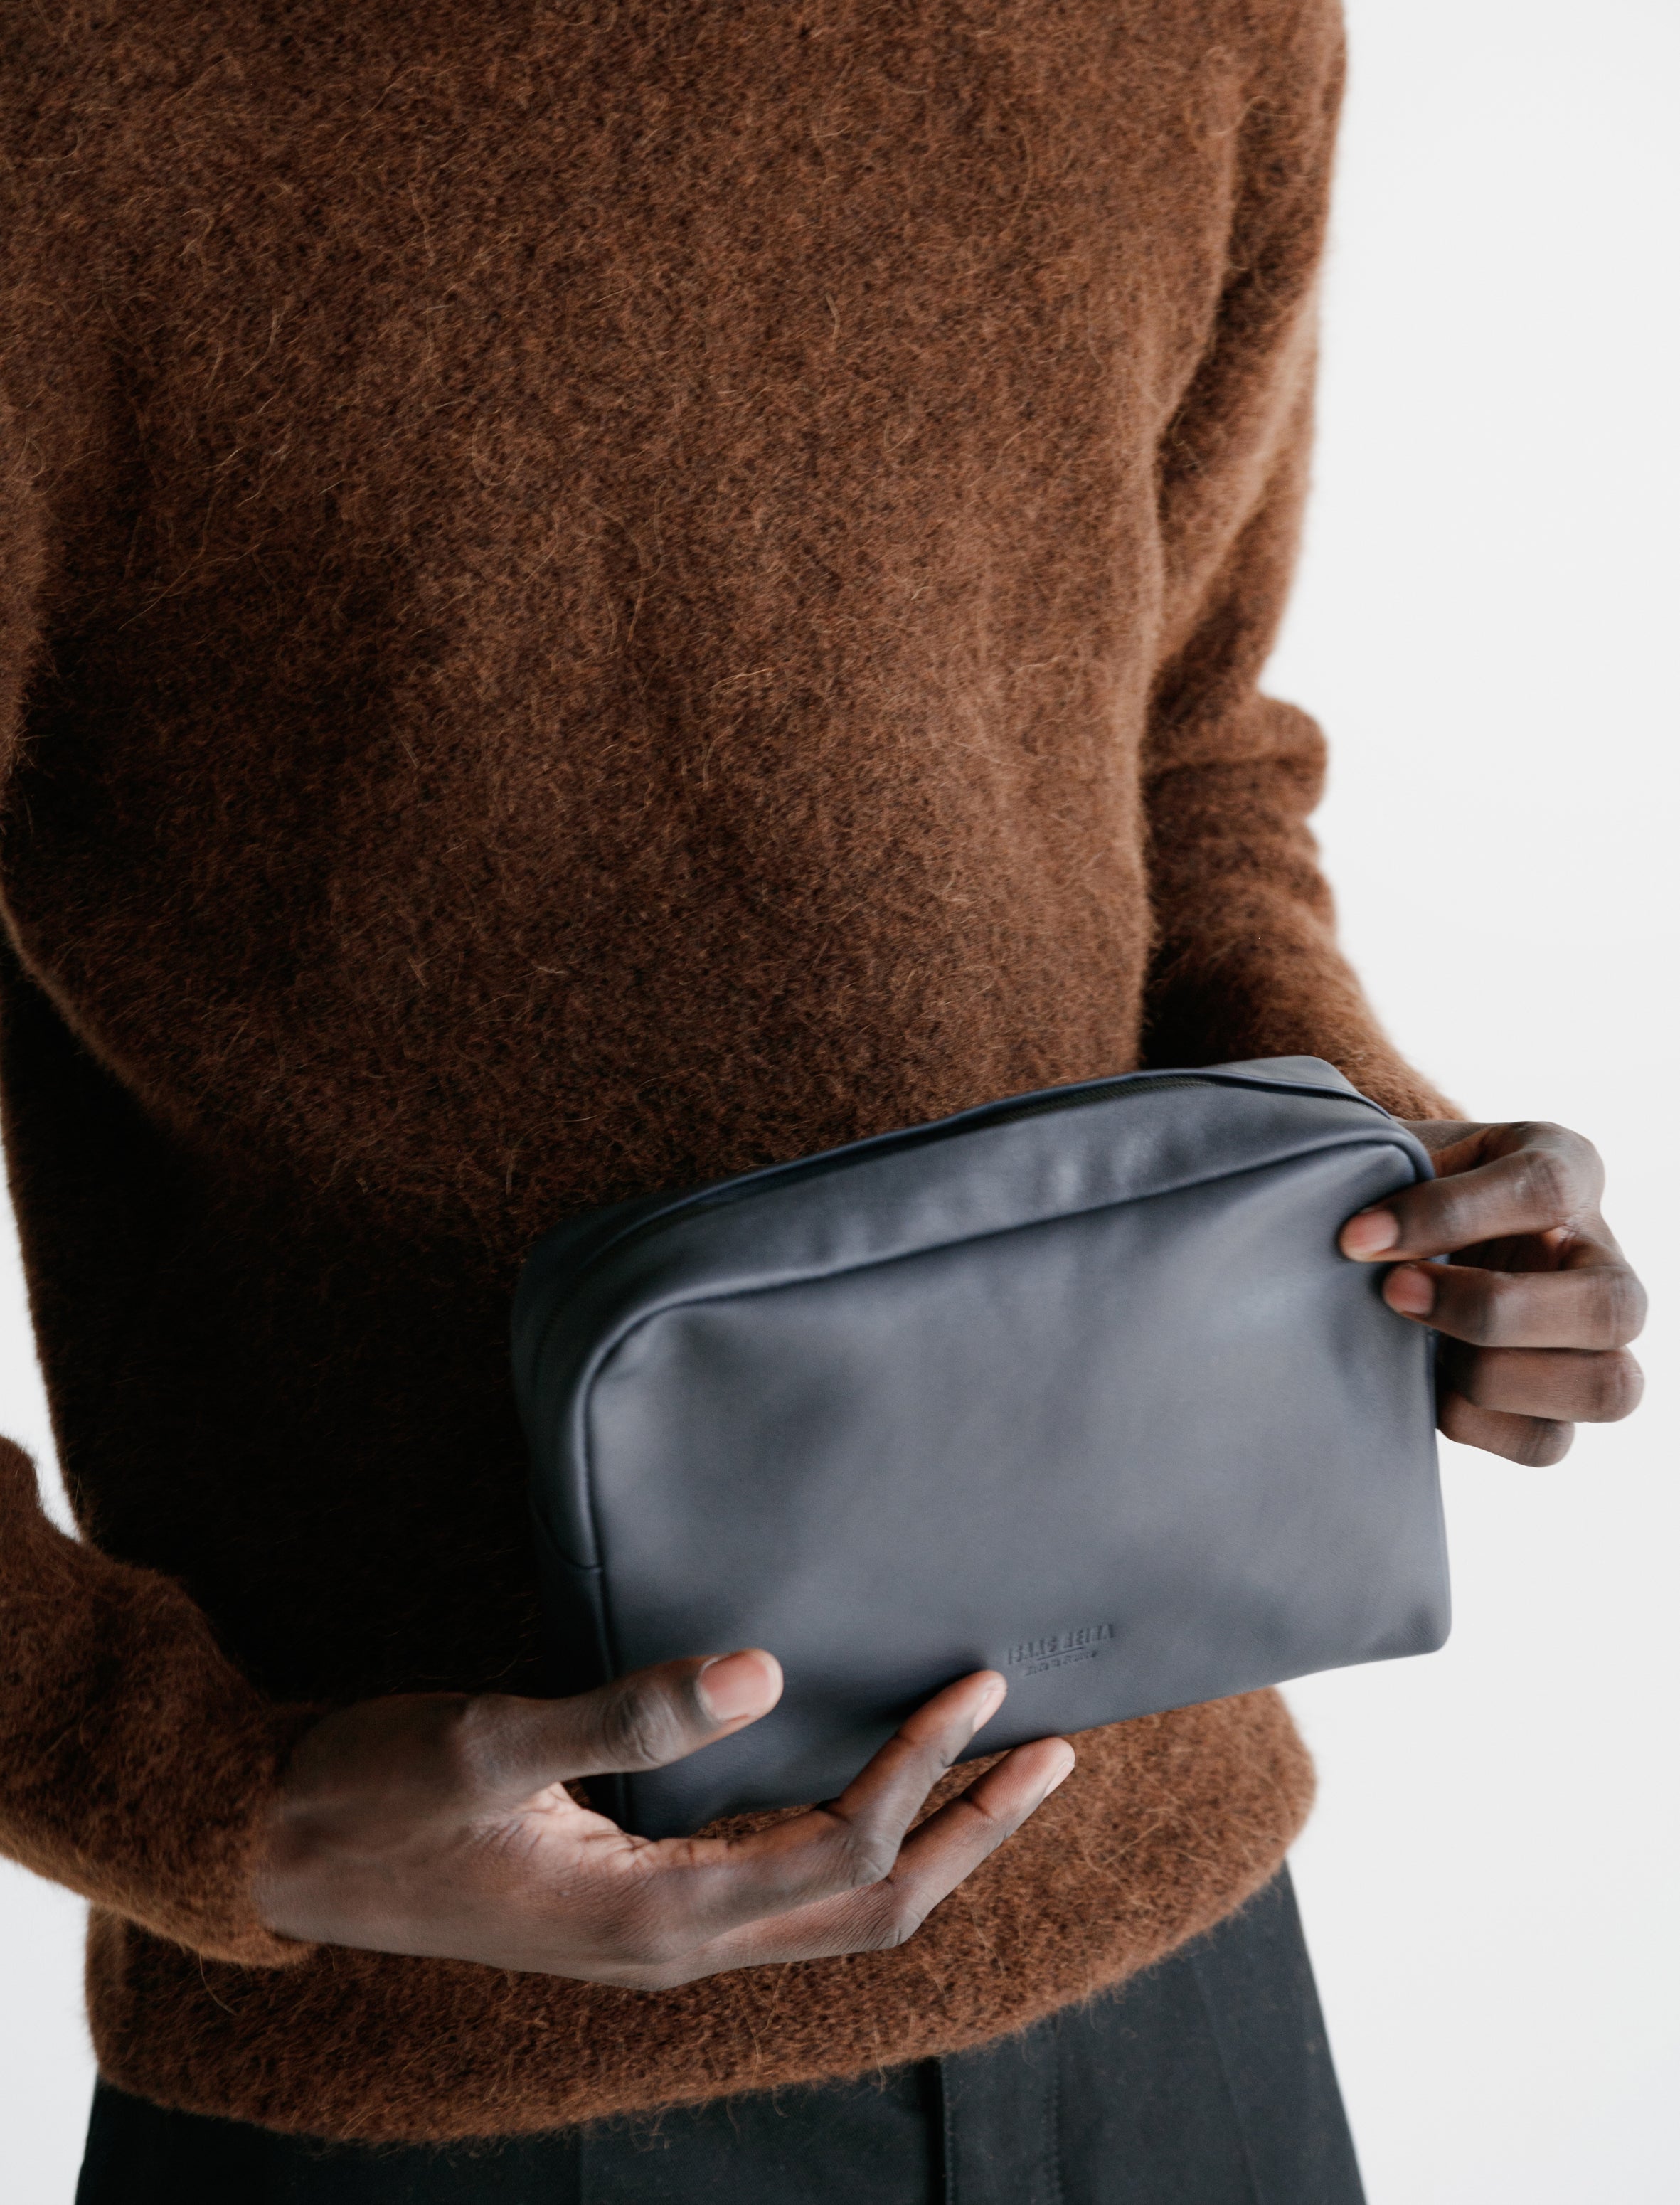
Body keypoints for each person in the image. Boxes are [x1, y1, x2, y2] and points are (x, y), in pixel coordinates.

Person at [0, 2, 1645, 2198]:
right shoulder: (73, 85)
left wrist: (1379, 1180)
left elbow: (1170, 745)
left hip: (1172, 1966)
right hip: (433, 2062)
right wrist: (205, 1789)